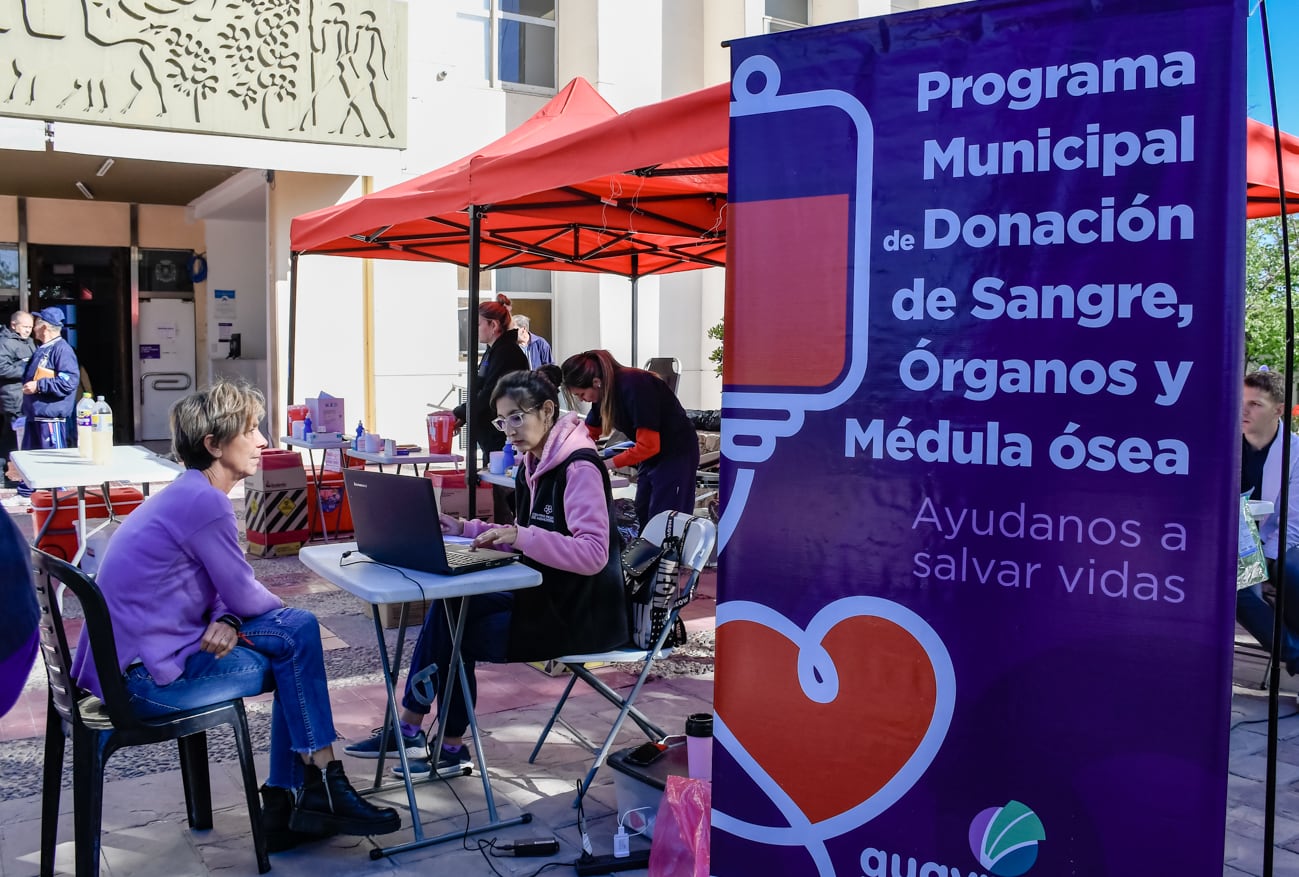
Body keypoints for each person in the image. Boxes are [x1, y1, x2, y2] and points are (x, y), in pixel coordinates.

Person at [69, 380, 400, 850]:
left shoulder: (186, 494)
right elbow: (245, 594)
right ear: (214, 444)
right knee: (299, 635)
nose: (264, 440)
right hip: (142, 686)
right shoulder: (205, 503)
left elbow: (225, 588)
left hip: (132, 667)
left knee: (295, 651)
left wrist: (228, 618)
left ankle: (296, 801)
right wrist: (239, 613)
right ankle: (314, 787)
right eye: (251, 429)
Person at [345, 369, 628, 774]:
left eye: (517, 417)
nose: (508, 430)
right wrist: (464, 529)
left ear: (548, 411)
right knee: (450, 609)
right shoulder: (534, 462)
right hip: (541, 596)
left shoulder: (577, 467)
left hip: (578, 613)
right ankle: (423, 735)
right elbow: (520, 535)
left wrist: (521, 535)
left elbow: (593, 554)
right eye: (501, 420)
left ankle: (423, 736)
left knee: (457, 630)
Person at [561, 349, 700, 531]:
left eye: (581, 394)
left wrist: (605, 465)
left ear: (596, 382)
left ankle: (669, 559)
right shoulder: (603, 392)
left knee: (666, 519)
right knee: (643, 512)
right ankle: (647, 557)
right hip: (652, 457)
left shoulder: (636, 385)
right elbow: (587, 433)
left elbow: (649, 445)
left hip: (677, 453)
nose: (583, 400)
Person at [1237, 368, 1299, 676]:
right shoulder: (1225, 444)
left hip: (1277, 538)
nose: (1243, 410)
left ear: (1279, 410)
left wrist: (1266, 558)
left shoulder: (1296, 452)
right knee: (1239, 587)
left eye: (1255, 404)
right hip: (1234, 541)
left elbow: (1293, 519)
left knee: (1293, 573)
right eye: (1242, 400)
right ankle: (1296, 655)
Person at [454, 294, 530, 522]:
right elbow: (479, 386)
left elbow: (490, 394)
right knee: (499, 491)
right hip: (492, 436)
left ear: (493, 325)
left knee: (507, 493)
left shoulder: (507, 353)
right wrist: (462, 414)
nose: (474, 330)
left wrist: (461, 413)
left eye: (478, 324)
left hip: (504, 436)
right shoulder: (494, 351)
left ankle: (517, 535)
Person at [6, 308, 79, 506]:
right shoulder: (43, 348)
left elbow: (69, 382)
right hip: (35, 414)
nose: (33, 327)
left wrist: (39, 385)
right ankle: (25, 493)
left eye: (36, 322)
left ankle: (59, 499)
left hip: (50, 415)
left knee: (53, 460)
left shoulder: (62, 350)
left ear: (44, 327)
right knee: (31, 459)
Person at [0, 311, 34, 488]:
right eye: (25, 327)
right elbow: (2, 368)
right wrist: (26, 370)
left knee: (18, 439)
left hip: (25, 398)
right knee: (12, 439)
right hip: (13, 399)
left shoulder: (28, 342)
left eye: (30, 327)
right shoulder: (5, 343)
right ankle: (6, 476)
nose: (29, 330)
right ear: (14, 325)